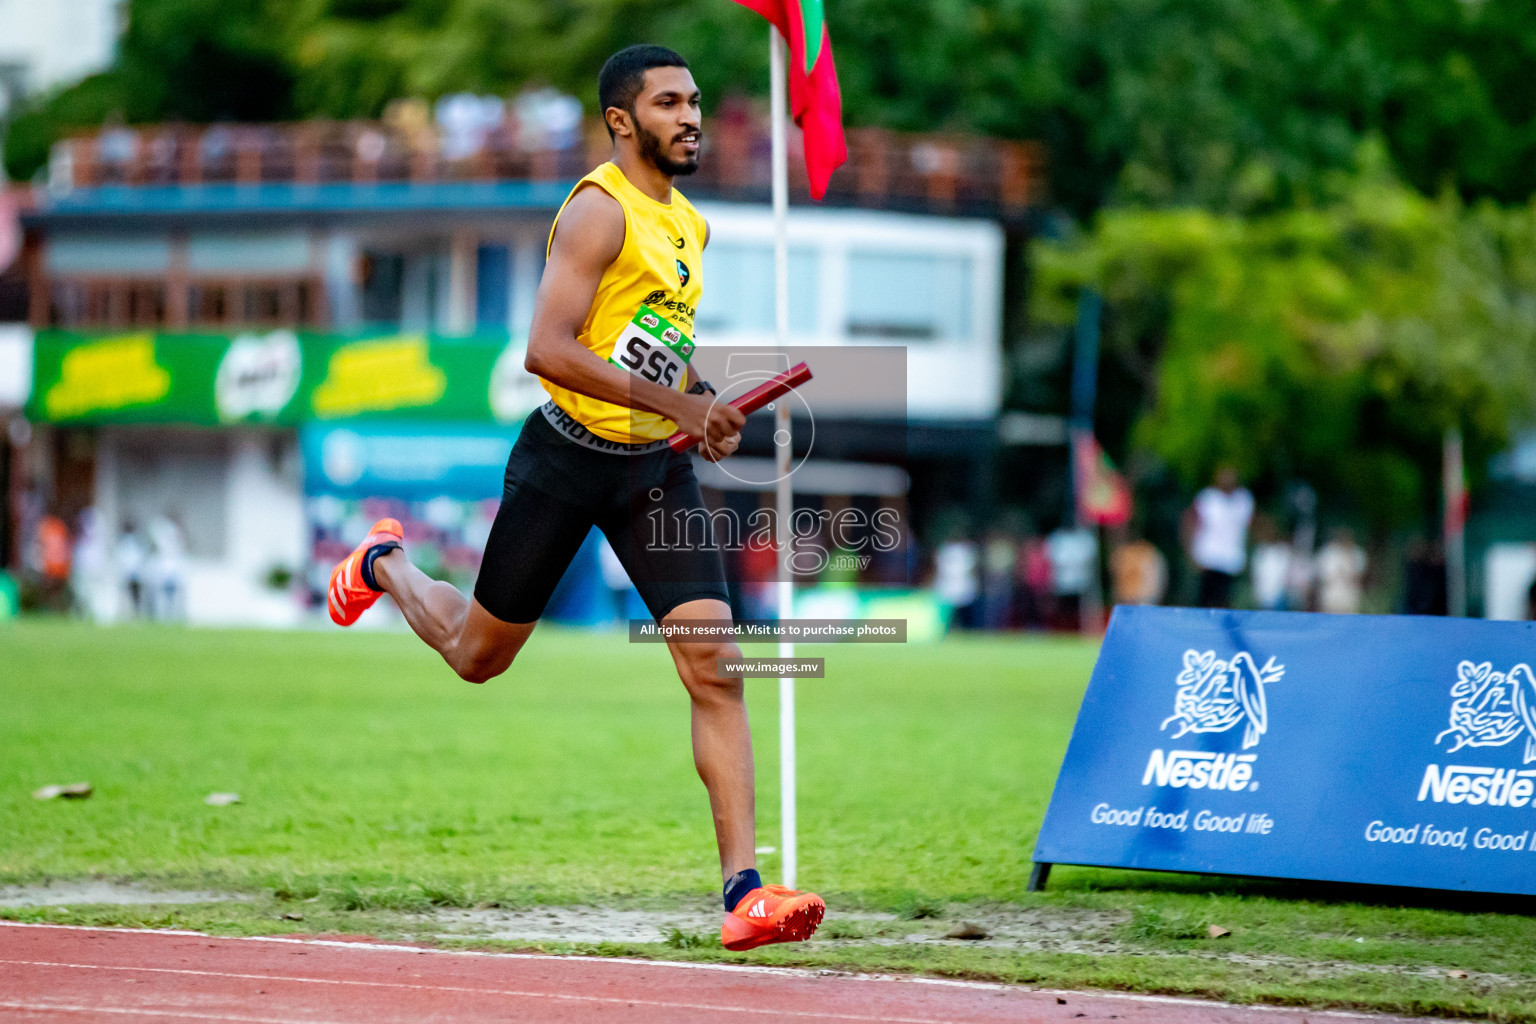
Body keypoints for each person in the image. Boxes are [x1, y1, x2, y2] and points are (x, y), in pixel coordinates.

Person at [325, 45, 822, 951]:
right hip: (565, 454)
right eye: (669, 102)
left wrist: (702, 409)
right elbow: (548, 350)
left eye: (696, 101)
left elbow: (650, 343)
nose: (692, 116)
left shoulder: (691, 228)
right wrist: (683, 403)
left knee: (714, 663)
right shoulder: (599, 211)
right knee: (479, 656)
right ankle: (382, 563)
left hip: (651, 472)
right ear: (623, 122)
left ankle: (744, 894)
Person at [1183, 467, 1253, 609]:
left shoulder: (1243, 500)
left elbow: (1250, 527)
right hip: (1209, 558)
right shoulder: (1207, 498)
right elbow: (1189, 521)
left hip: (1231, 561)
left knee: (1226, 602)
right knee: (1206, 603)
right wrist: (1190, 551)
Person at [1315, 527, 1367, 615]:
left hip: (1350, 595)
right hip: (1331, 594)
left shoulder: (1357, 553)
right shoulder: (1328, 552)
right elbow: (1321, 575)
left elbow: (1359, 576)